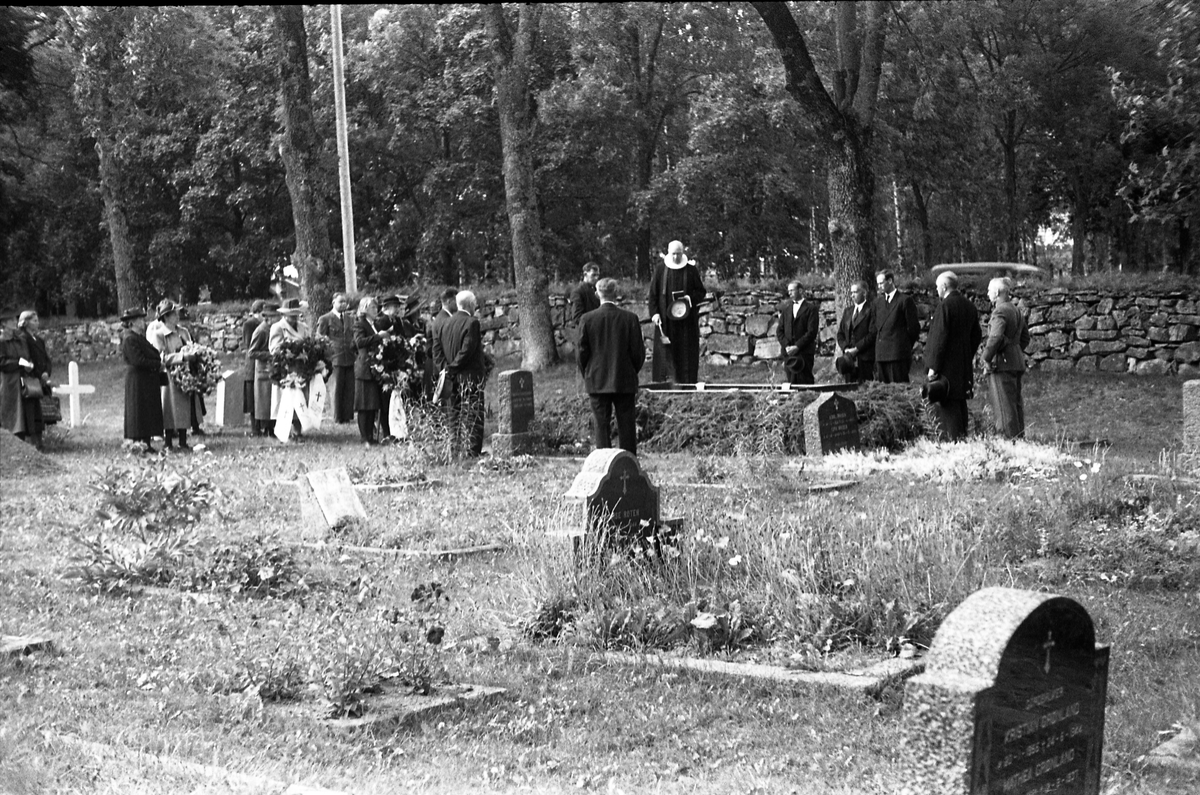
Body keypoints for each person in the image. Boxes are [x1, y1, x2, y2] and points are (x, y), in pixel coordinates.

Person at [578, 278, 645, 453]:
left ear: (597, 294)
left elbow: (581, 353)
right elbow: (638, 353)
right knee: (627, 425)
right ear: (616, 294)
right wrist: (631, 370)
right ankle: (629, 464)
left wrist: (588, 372)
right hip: (624, 378)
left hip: (597, 378)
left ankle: (604, 463)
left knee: (601, 426)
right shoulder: (630, 318)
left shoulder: (587, 319)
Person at [924, 271, 982, 441]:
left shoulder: (945, 306)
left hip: (946, 369)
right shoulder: (969, 306)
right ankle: (962, 439)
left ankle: (953, 444)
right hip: (962, 366)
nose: (936, 290)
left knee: (947, 407)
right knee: (960, 403)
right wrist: (966, 354)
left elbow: (938, 339)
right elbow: (976, 335)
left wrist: (933, 368)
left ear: (944, 286)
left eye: (937, 287)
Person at [648, 240, 707, 384]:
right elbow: (653, 296)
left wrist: (690, 298)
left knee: (686, 356)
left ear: (683, 253)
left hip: (686, 324)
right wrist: (654, 314)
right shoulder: (660, 270)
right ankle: (664, 384)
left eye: (678, 254)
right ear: (668, 253)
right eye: (673, 254)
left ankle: (687, 383)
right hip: (665, 322)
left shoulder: (691, 270)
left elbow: (701, 292)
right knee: (665, 355)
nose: (676, 257)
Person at [438, 290, 487, 457]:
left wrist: (448, 369)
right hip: (469, 376)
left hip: (453, 379)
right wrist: (453, 366)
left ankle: (455, 450)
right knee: (474, 414)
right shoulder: (472, 322)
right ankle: (473, 451)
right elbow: (467, 350)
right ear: (471, 305)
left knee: (455, 415)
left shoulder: (446, 323)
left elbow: (442, 350)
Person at [981, 277, 1031, 439]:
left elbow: (995, 337)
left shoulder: (1000, 311)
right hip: (1016, 362)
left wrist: (986, 358)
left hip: (1000, 364)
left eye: (989, 290)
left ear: (997, 292)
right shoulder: (1016, 310)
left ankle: (1008, 443)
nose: (988, 293)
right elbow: (1025, 339)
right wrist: (1013, 350)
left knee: (1003, 407)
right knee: (1015, 405)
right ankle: (1019, 439)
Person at [146, 299, 195, 452]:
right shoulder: (159, 334)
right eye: (174, 313)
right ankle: (168, 441)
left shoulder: (183, 331)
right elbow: (160, 358)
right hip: (168, 375)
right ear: (166, 317)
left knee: (184, 406)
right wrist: (181, 357)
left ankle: (183, 439)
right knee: (169, 407)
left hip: (185, 374)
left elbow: (192, 347)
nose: (177, 315)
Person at [118, 308, 164, 454]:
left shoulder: (138, 337)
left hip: (147, 379)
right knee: (139, 410)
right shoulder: (129, 338)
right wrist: (156, 364)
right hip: (138, 379)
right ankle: (139, 442)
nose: (143, 322)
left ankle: (146, 441)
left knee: (147, 410)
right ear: (131, 322)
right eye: (139, 319)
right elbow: (138, 360)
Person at [269, 297, 313, 441]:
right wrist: (290, 351)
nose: (294, 318)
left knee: (301, 400)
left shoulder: (303, 327)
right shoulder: (277, 327)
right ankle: (286, 430)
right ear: (284, 315)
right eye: (290, 315)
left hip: (301, 368)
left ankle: (298, 429)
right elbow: (274, 349)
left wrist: (307, 352)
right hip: (286, 369)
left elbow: (309, 343)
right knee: (287, 401)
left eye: (295, 315)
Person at [0, 308, 43, 448]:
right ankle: (13, 442)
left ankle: (31, 441)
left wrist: (28, 363)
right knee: (13, 413)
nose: (14, 322)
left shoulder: (21, 339)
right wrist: (17, 363)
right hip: (9, 383)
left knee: (27, 412)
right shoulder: (1, 341)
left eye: (15, 319)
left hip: (24, 380)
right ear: (4, 324)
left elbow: (26, 355)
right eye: (11, 320)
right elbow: (1, 362)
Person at [871, 269, 921, 383]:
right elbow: (875, 326)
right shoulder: (877, 303)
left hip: (898, 354)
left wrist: (904, 344)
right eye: (877, 284)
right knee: (883, 390)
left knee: (899, 389)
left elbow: (913, 328)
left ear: (890, 281)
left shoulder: (904, 301)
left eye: (881, 283)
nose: (879, 286)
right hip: (881, 354)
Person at [353, 296, 391, 445]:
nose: (377, 310)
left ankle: (371, 435)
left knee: (372, 404)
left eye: (377, 307)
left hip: (375, 367)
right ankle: (365, 437)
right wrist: (377, 337)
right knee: (364, 405)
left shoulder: (374, 324)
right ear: (365, 309)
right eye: (373, 308)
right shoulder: (359, 324)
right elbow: (359, 342)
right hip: (364, 368)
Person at [316, 293, 355, 424]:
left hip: (349, 356)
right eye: (340, 302)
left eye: (345, 302)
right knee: (337, 387)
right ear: (333, 302)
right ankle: (337, 416)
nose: (343, 304)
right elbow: (319, 338)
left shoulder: (350, 318)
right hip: (335, 357)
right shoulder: (325, 319)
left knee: (349, 387)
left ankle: (347, 415)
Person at [17, 310, 51, 445]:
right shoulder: (23, 339)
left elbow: (46, 359)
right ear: (25, 323)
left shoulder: (40, 340)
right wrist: (37, 374)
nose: (37, 323)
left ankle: (40, 440)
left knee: (39, 411)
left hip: (42, 378)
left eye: (37, 320)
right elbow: (27, 359)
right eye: (34, 320)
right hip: (31, 378)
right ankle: (32, 441)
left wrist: (47, 372)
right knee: (30, 411)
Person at [775, 281, 819, 385]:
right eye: (788, 291)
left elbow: (812, 332)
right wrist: (787, 346)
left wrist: (797, 346)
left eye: (792, 290)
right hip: (789, 354)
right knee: (791, 383)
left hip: (804, 353)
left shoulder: (811, 309)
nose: (789, 293)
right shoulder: (786, 310)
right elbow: (779, 331)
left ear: (800, 291)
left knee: (805, 383)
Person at [247, 303, 280, 437]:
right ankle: (267, 429)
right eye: (275, 317)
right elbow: (252, 352)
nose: (277, 319)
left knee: (273, 400)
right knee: (265, 402)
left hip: (273, 369)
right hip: (263, 370)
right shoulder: (261, 331)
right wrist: (270, 355)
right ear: (268, 318)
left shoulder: (275, 329)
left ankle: (274, 428)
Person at [835, 282, 875, 384]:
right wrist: (846, 348)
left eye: (855, 292)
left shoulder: (871, 310)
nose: (852, 295)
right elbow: (840, 334)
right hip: (848, 359)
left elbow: (872, 334)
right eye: (851, 292)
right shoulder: (848, 311)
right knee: (849, 388)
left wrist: (856, 349)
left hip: (865, 358)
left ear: (864, 293)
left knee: (865, 388)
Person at [426, 288, 458, 400]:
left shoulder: (444, 318)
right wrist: (447, 368)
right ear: (449, 301)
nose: (458, 304)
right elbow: (439, 349)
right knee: (449, 408)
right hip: (445, 370)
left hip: (444, 369)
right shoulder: (444, 320)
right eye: (456, 300)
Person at [241, 299, 264, 420]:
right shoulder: (249, 324)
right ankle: (255, 427)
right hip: (252, 363)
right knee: (252, 397)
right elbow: (249, 344)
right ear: (259, 311)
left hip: (261, 363)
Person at [570, 262, 601, 326]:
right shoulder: (578, 292)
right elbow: (577, 317)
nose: (596, 278)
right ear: (585, 274)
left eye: (597, 275)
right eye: (593, 275)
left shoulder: (597, 290)